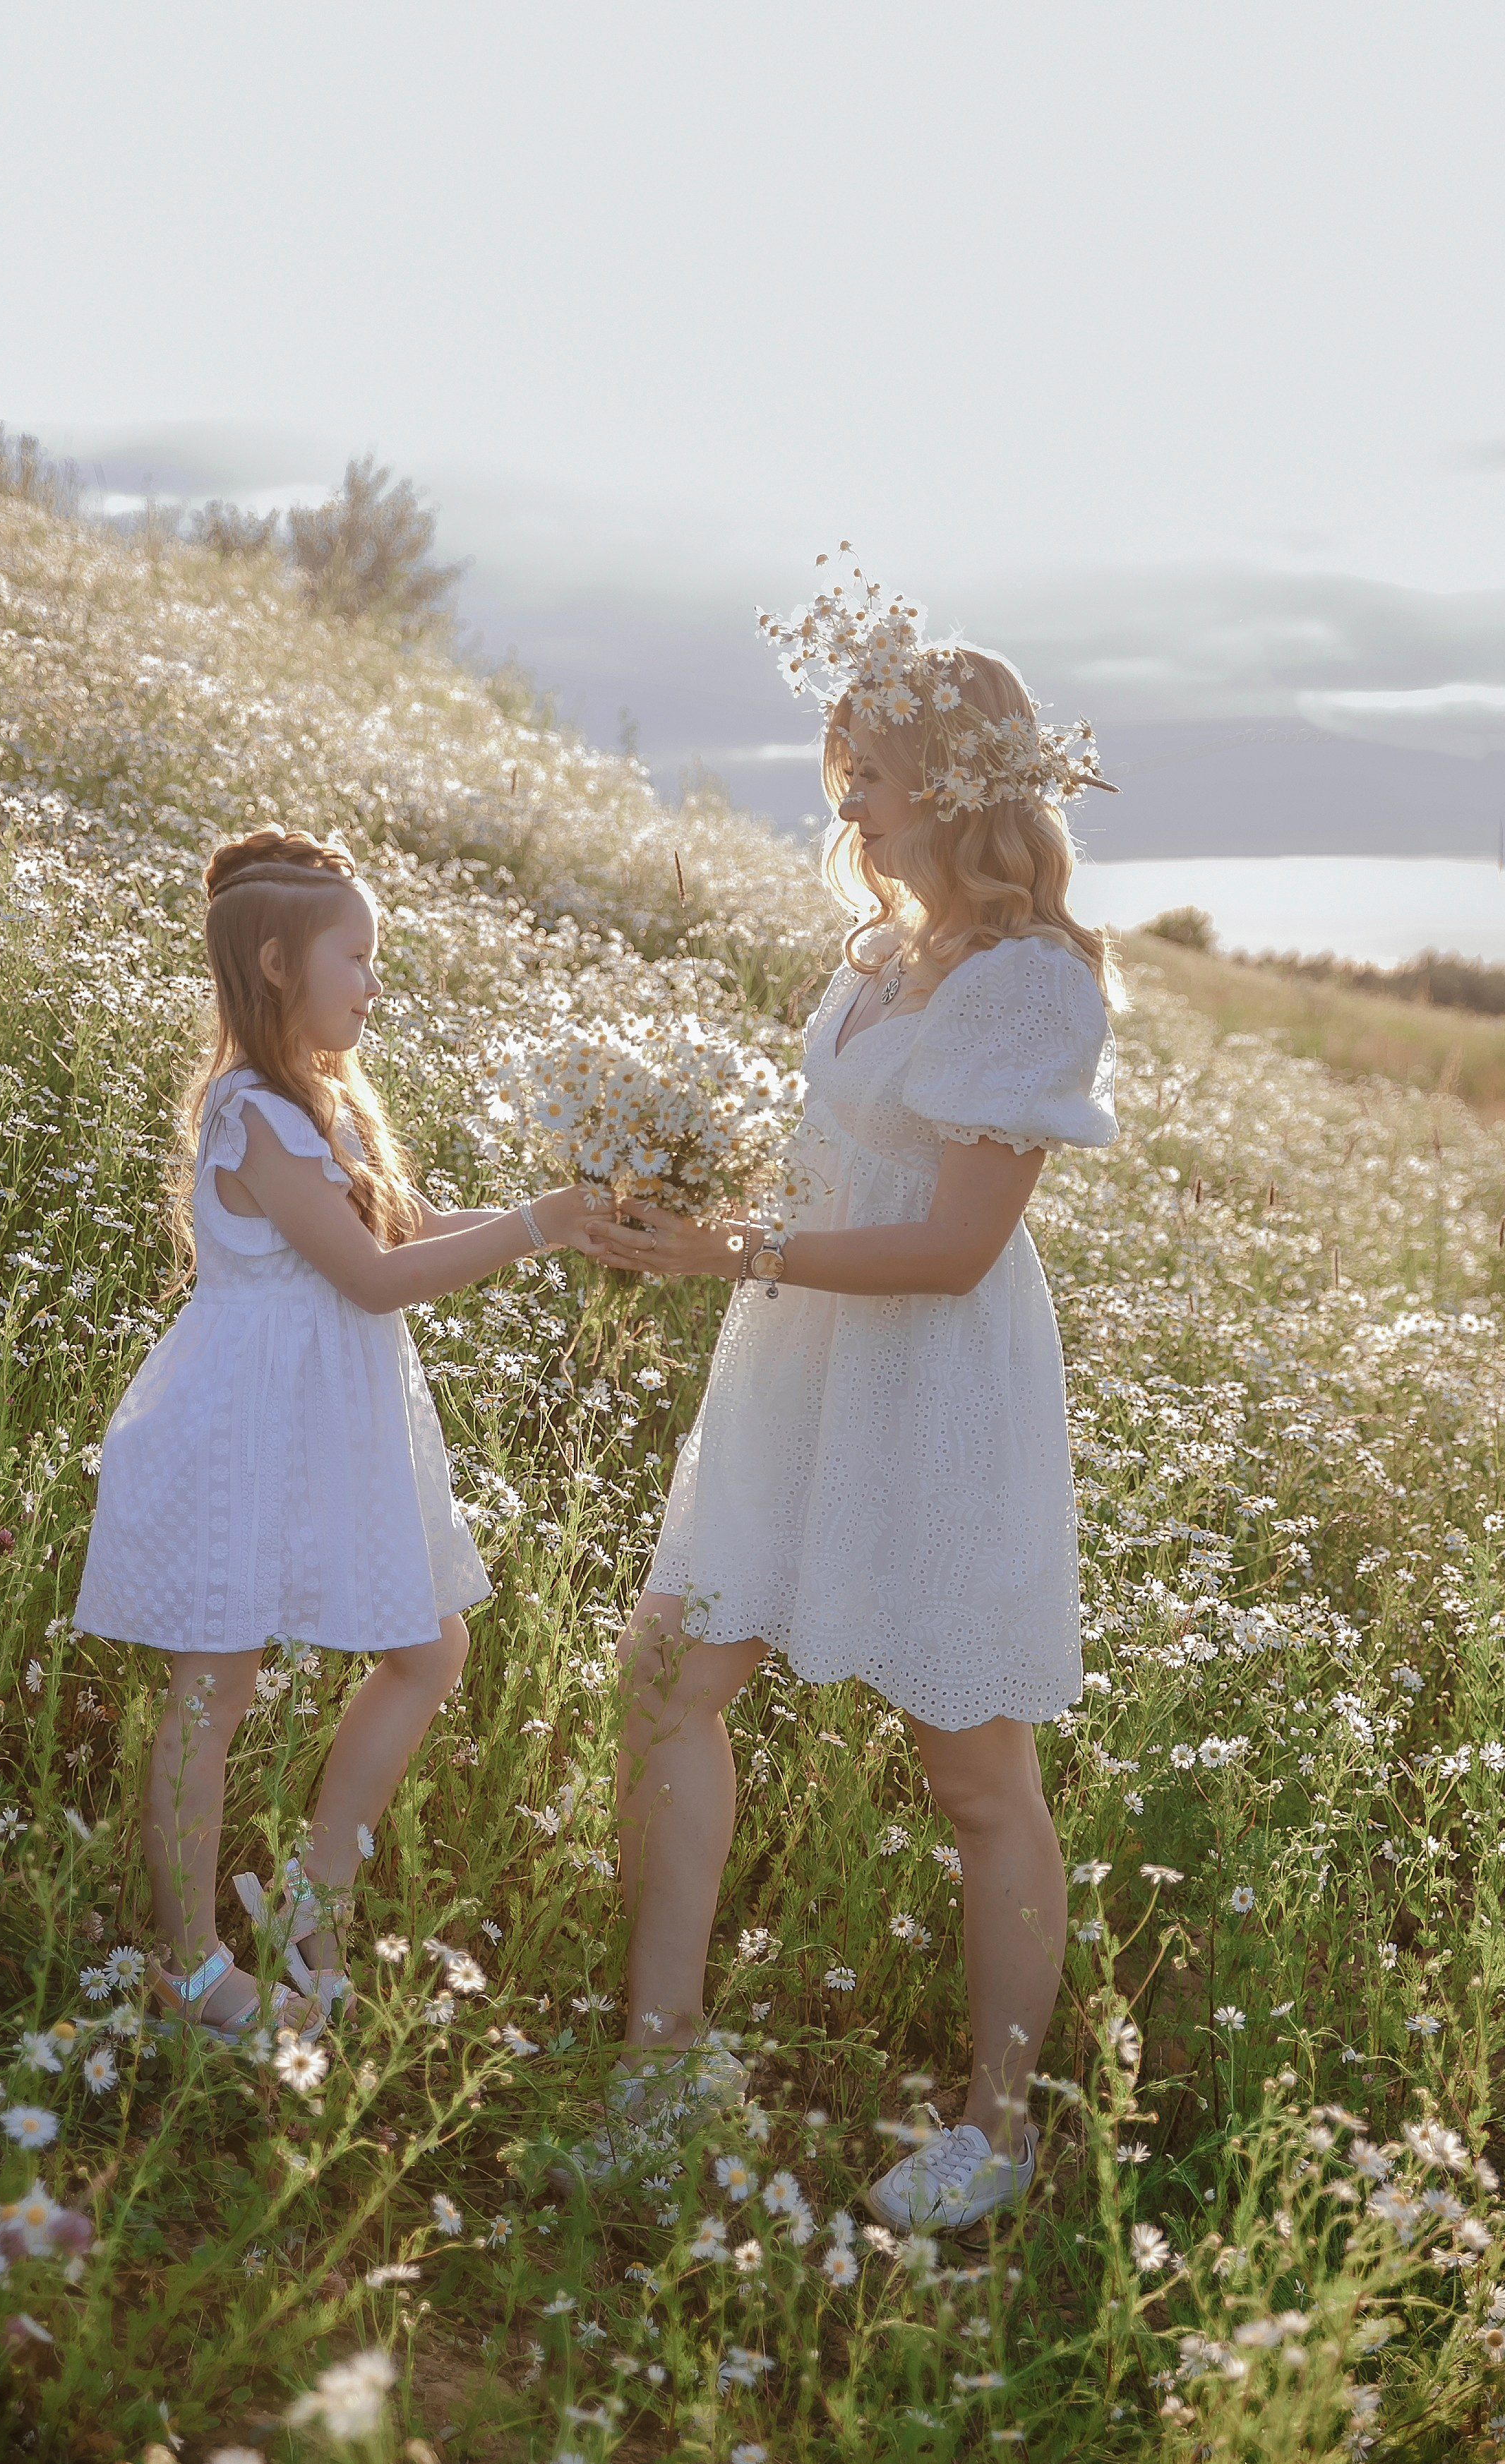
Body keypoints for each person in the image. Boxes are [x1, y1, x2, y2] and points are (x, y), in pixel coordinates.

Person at [580, 559, 1121, 2232]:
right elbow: (838, 1163)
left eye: (873, 777)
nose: (851, 808)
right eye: (843, 776)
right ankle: (663, 2064)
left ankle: (994, 2127)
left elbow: (955, 1248)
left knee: (973, 1772)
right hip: (796, 1357)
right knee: (663, 1680)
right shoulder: (881, 950)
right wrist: (680, 1184)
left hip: (931, 1387)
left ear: (957, 784)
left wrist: (729, 1249)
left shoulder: (1029, 980)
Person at [73, 827, 601, 2043]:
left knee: (430, 1644)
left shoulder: (321, 1105)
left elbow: (403, 1229)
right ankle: (189, 1968)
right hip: (241, 1428)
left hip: (317, 1429)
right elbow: (370, 1280)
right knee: (215, 1687)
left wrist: (573, 1220)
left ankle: (311, 1897)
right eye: (354, 957)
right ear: (276, 965)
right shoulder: (253, 1110)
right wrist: (539, 1222)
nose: (372, 981)